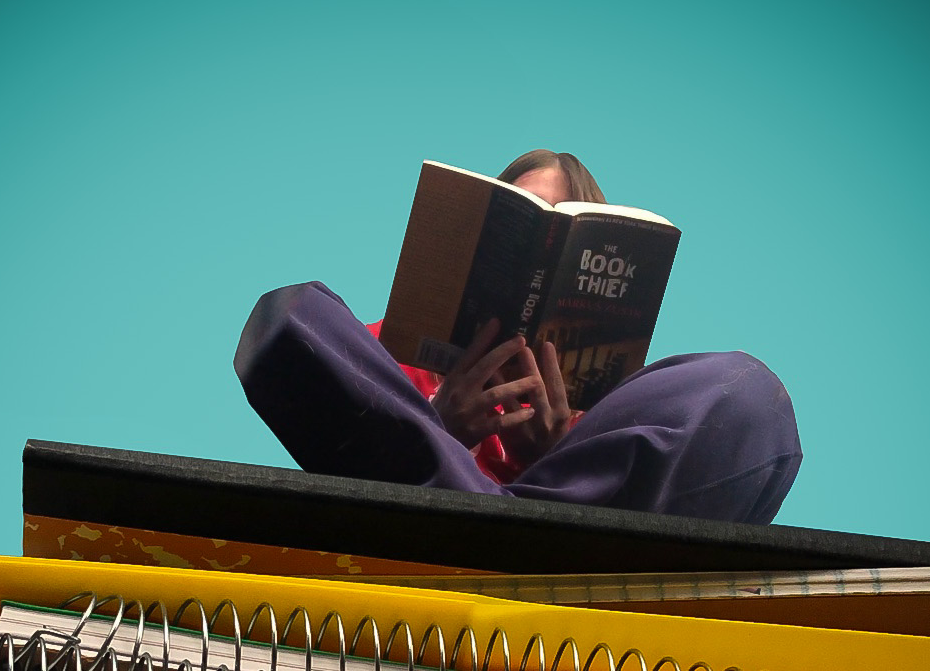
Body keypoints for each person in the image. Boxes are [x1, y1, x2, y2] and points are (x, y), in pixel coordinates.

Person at [234, 149, 803, 524]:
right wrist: (439, 425)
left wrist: (555, 456)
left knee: (747, 393)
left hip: (553, 536)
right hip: (413, 517)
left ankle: (536, 525)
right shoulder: (386, 354)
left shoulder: (614, 410)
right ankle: (486, 516)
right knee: (293, 315)